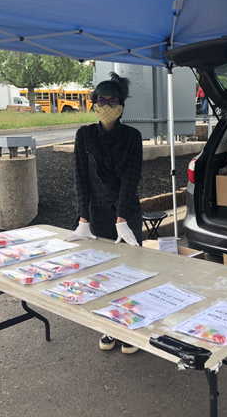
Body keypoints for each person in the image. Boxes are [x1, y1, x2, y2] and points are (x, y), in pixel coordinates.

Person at [64, 72, 142, 354]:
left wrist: (123, 218)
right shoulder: (84, 135)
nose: (107, 104)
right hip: (94, 213)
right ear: (93, 103)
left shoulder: (132, 136)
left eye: (113, 100)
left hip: (126, 212)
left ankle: (130, 329)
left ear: (121, 104)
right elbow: (80, 178)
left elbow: (132, 179)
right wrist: (82, 218)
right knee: (102, 273)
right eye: (101, 99)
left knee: (129, 272)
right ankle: (109, 326)